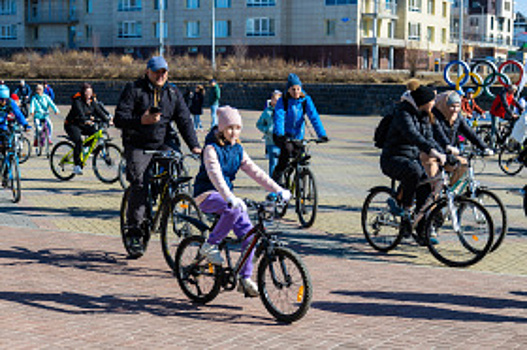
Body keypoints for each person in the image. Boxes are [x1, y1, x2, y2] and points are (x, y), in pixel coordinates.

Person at [193, 106, 291, 297]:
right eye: (229, 127)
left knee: (250, 235)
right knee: (235, 209)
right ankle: (210, 245)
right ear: (221, 128)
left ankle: (245, 278)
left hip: (228, 197)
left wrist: (278, 190)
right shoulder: (211, 148)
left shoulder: (238, 149)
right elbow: (215, 175)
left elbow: (256, 172)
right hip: (207, 194)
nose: (234, 132)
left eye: (237, 127)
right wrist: (229, 197)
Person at [114, 56, 201, 256]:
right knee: (139, 185)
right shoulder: (134, 89)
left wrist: (195, 146)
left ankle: (171, 205)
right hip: (137, 144)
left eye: (164, 72)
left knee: (177, 172)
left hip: (162, 143)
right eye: (156, 72)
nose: (160, 75)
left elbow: (185, 120)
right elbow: (120, 118)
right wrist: (141, 120)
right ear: (148, 72)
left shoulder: (172, 92)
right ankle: (135, 232)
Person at [380, 84, 446, 239]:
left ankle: (422, 229)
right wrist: (431, 151)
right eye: (432, 100)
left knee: (426, 187)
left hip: (411, 159)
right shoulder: (403, 113)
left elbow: (429, 139)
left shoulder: (424, 115)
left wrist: (445, 152)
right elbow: (413, 135)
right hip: (392, 159)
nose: (434, 103)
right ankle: (405, 208)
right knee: (414, 171)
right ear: (424, 101)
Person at [272, 73, 328, 182]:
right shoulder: (283, 101)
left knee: (301, 156)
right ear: (288, 90)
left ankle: (300, 184)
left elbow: (314, 117)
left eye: (298, 89)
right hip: (283, 135)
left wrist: (322, 134)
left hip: (298, 136)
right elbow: (279, 118)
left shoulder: (306, 100)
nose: (296, 92)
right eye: (293, 89)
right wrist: (280, 134)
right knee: (287, 151)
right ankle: (277, 176)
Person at [432, 91, 493, 186]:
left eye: (457, 106)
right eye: (452, 106)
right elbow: (439, 135)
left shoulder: (457, 117)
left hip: (451, 151)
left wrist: (484, 147)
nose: (455, 110)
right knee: (437, 182)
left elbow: (469, 133)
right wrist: (448, 146)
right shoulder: (435, 116)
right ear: (444, 106)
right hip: (436, 152)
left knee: (464, 164)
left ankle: (449, 190)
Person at [64, 83, 111, 175]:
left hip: (83, 124)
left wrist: (107, 120)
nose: (89, 94)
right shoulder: (78, 100)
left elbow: (98, 111)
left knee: (95, 133)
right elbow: (80, 111)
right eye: (87, 92)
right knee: (79, 142)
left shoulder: (91, 100)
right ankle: (77, 166)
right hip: (72, 125)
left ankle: (84, 150)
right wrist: (85, 120)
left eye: (90, 92)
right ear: (83, 92)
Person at [489, 84, 524, 149]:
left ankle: (505, 137)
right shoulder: (503, 94)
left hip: (503, 112)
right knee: (494, 128)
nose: (514, 92)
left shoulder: (511, 94)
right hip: (495, 112)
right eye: (514, 91)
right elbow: (505, 104)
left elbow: (514, 102)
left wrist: (522, 109)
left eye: (515, 91)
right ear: (510, 89)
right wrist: (511, 114)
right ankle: (492, 146)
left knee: (515, 121)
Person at [256, 90, 282, 175]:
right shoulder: (267, 111)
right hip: (271, 141)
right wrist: (267, 129)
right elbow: (259, 124)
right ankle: (272, 181)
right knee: (273, 162)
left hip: (282, 140)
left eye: (278, 99)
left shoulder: (283, 111)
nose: (276, 101)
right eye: (275, 99)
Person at [0, 85, 30, 156]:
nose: (4, 102)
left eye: (5, 99)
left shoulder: (10, 102)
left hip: (3, 125)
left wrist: (25, 124)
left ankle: (8, 161)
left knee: (8, 144)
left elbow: (18, 113)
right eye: (1, 100)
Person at [29, 84, 60, 148]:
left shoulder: (46, 97)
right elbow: (32, 105)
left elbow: (52, 104)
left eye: (40, 89)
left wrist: (56, 110)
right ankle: (37, 138)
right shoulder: (34, 98)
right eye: (37, 89)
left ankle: (49, 138)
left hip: (45, 115)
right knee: (38, 128)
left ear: (42, 90)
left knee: (50, 125)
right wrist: (31, 111)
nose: (38, 91)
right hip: (37, 115)